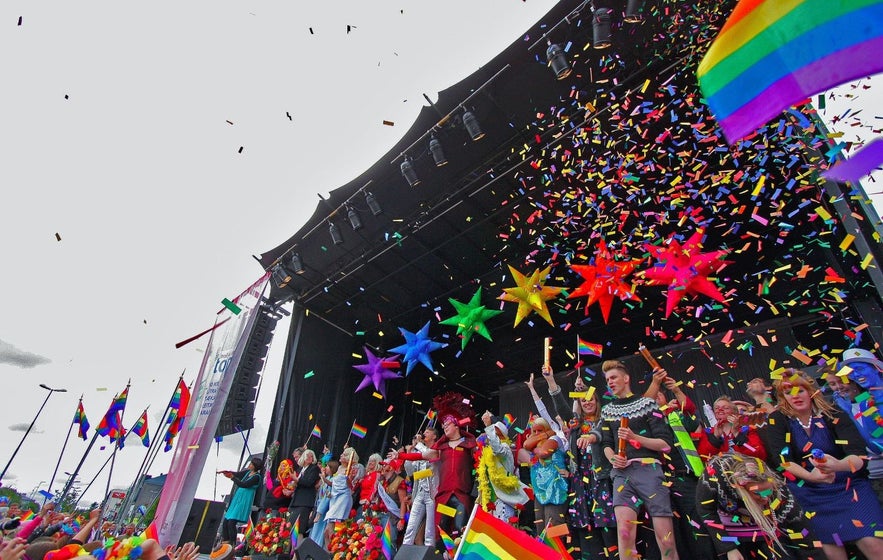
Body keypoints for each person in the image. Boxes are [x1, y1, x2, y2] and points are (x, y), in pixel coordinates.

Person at [761, 368, 883, 560]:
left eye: (799, 390)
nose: (795, 396)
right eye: (788, 392)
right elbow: (783, 461)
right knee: (832, 553)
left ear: (810, 391)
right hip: (809, 491)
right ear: (782, 397)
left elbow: (858, 455)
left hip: (849, 486)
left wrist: (837, 466)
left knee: (874, 545)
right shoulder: (778, 419)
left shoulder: (833, 412)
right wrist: (811, 476)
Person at [599, 359, 679, 560]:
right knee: (625, 535)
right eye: (607, 379)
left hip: (649, 471)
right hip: (621, 476)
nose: (610, 382)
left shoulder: (648, 404)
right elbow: (606, 443)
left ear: (626, 378)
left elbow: (665, 443)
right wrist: (613, 459)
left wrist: (635, 438)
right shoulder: (607, 410)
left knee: (666, 538)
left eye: (614, 377)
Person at [696, 452, 827, 560]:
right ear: (743, 488)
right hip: (725, 523)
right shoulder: (713, 478)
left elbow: (802, 532)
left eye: (768, 492)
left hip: (762, 523)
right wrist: (729, 548)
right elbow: (706, 510)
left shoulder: (779, 493)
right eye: (758, 493)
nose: (765, 497)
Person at [543, 368, 616, 559]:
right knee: (584, 524)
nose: (588, 402)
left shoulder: (606, 419)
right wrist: (551, 380)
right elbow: (561, 407)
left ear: (597, 401)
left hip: (602, 478)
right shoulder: (575, 423)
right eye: (584, 400)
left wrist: (584, 389)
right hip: (580, 482)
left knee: (606, 522)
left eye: (591, 399)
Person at [390, 412, 477, 536]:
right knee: (442, 531)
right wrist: (399, 455)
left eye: (447, 424)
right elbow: (419, 455)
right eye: (443, 426)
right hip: (444, 497)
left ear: (456, 426)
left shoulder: (469, 445)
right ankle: (444, 555)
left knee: (459, 528)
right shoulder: (441, 449)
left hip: (461, 496)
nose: (444, 427)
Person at [476, 410, 529, 524]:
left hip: (505, 499)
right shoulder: (486, 452)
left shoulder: (504, 448)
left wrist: (489, 426)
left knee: (504, 533)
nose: (489, 436)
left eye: (494, 433)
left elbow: (497, 448)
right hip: (490, 499)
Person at [696, 396, 767, 461]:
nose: (720, 409)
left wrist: (737, 434)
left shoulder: (748, 430)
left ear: (735, 413)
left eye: (726, 408)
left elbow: (759, 454)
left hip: (746, 471)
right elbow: (703, 458)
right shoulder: (707, 432)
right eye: (717, 408)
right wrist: (715, 437)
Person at [401, 426, 439, 547]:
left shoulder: (436, 449)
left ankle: (429, 551)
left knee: (429, 528)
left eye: (427, 432)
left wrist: (418, 444)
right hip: (419, 492)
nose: (424, 434)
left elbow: (429, 459)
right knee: (411, 524)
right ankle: (405, 549)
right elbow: (410, 472)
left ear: (434, 436)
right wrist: (409, 452)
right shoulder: (418, 451)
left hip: (432, 494)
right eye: (424, 432)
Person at [217, 457, 263, 556]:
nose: (249, 465)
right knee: (226, 521)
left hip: (244, 499)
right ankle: (225, 542)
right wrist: (227, 472)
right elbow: (237, 474)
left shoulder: (257, 477)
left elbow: (244, 484)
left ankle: (232, 546)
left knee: (231, 522)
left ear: (255, 466)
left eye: (251, 464)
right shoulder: (247, 473)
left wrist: (232, 478)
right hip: (238, 498)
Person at [323, 447, 358, 546]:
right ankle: (329, 551)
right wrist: (323, 478)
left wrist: (349, 478)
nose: (341, 455)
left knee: (336, 528)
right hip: (334, 498)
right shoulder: (339, 468)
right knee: (327, 531)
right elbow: (333, 484)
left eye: (344, 454)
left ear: (348, 458)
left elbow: (351, 486)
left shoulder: (351, 469)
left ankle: (335, 550)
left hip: (343, 498)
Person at [288, 448, 320, 540]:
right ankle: (291, 551)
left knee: (300, 529)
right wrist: (293, 484)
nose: (309, 457)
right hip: (296, 501)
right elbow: (298, 482)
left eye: (311, 456)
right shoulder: (300, 469)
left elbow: (309, 482)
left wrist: (297, 479)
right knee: (291, 527)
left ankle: (297, 553)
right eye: (307, 455)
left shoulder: (314, 469)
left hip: (305, 502)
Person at [374, 460, 408, 546]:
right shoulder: (382, 481)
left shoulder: (400, 481)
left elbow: (403, 502)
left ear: (391, 468)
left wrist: (402, 519)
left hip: (392, 517)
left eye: (384, 466)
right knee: (376, 542)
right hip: (380, 514)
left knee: (388, 543)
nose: (382, 468)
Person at [309, 458, 339, 548]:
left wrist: (319, 512)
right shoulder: (327, 478)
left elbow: (328, 496)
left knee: (320, 533)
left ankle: (316, 550)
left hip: (324, 511)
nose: (325, 468)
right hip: (318, 507)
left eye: (327, 466)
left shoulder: (334, 479)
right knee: (315, 531)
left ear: (332, 468)